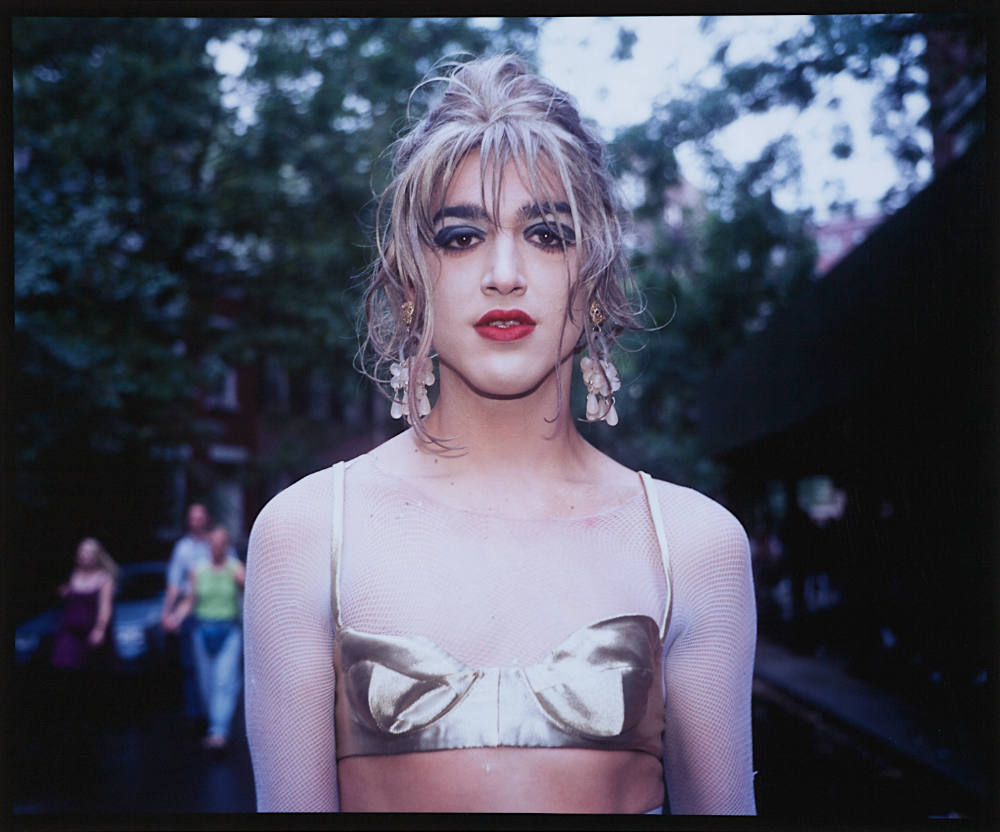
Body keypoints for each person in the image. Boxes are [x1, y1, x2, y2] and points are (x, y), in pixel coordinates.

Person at [245, 54, 756, 814]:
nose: (505, 273)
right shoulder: (307, 534)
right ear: (410, 279)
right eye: (461, 237)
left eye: (548, 234)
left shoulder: (693, 545)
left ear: (597, 273)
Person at [165, 525, 246, 751]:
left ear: (226, 546)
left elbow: (250, 593)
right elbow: (190, 600)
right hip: (202, 630)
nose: (217, 548)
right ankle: (214, 723)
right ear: (209, 546)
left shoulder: (235, 568)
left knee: (224, 680)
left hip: (228, 630)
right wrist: (176, 617)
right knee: (206, 683)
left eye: (222, 544)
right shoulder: (198, 570)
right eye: (214, 543)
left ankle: (219, 731)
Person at [161, 503, 212, 725]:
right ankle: (195, 715)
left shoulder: (215, 544)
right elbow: (173, 583)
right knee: (190, 664)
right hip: (188, 610)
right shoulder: (183, 548)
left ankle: (213, 714)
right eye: (192, 518)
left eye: (200, 517)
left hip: (212, 607)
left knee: (211, 666)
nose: (196, 521)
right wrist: (167, 611)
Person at [51, 537, 119, 670]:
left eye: (89, 552)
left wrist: (100, 629)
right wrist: (66, 592)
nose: (85, 555)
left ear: (97, 556)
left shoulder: (104, 578)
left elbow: (105, 607)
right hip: (70, 631)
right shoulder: (75, 575)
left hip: (90, 632)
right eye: (82, 552)